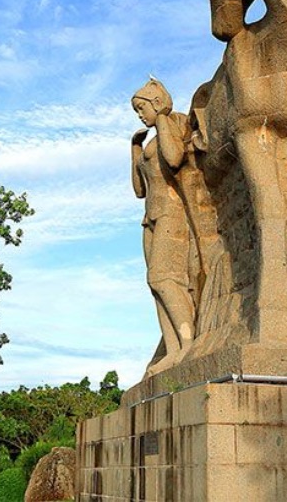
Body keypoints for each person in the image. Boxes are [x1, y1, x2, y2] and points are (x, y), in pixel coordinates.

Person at [130, 79, 195, 372]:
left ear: (157, 102)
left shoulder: (173, 124)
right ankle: (172, 350)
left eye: (143, 108)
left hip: (172, 212)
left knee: (165, 279)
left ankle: (188, 343)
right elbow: (139, 190)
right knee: (154, 284)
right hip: (150, 216)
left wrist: (165, 119)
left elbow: (174, 157)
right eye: (137, 111)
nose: (141, 115)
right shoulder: (150, 141)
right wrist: (134, 150)